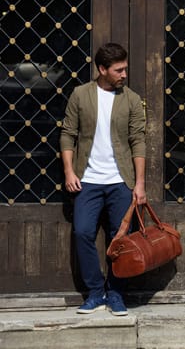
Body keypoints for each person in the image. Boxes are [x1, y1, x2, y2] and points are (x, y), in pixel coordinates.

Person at [60, 42, 146, 316]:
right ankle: (96, 293)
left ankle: (116, 294)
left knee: (119, 239)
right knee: (83, 232)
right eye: (118, 70)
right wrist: (69, 171)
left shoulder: (131, 99)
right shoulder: (80, 95)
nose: (124, 74)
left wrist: (139, 183)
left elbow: (138, 141)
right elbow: (67, 134)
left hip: (121, 181)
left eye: (125, 69)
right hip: (88, 180)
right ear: (102, 69)